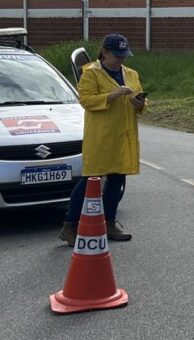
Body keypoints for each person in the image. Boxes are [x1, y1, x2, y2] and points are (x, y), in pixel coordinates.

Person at [58, 34, 146, 245]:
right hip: (101, 136)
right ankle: (70, 225)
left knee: (117, 179)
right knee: (91, 180)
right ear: (105, 52)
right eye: (117, 56)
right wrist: (113, 95)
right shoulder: (91, 74)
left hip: (123, 135)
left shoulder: (131, 74)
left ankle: (109, 222)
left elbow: (142, 99)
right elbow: (86, 100)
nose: (121, 60)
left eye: (124, 56)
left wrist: (140, 103)